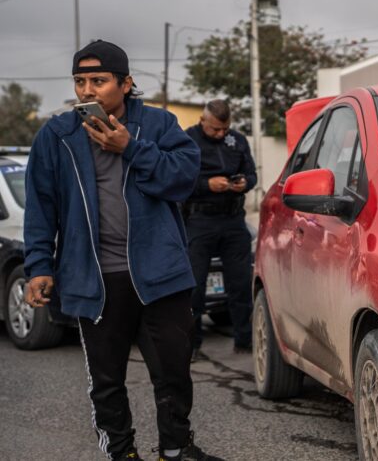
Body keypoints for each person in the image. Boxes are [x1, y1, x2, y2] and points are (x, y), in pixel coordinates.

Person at [23, 40, 221, 461]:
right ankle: (121, 452)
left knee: (172, 371)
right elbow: (41, 208)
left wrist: (129, 147)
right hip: (95, 277)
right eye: (80, 81)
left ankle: (176, 449)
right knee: (106, 379)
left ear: (126, 83)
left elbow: (183, 180)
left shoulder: (160, 125)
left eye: (99, 80)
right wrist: (39, 265)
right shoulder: (57, 136)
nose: (87, 91)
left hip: (159, 273)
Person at [183, 100, 256, 358]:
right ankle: (191, 346)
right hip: (200, 220)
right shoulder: (187, 139)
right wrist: (206, 184)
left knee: (241, 284)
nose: (220, 134)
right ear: (203, 121)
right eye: (215, 129)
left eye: (225, 129)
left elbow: (251, 174)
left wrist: (244, 183)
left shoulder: (237, 140)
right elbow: (177, 180)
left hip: (233, 220)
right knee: (194, 288)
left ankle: (245, 341)